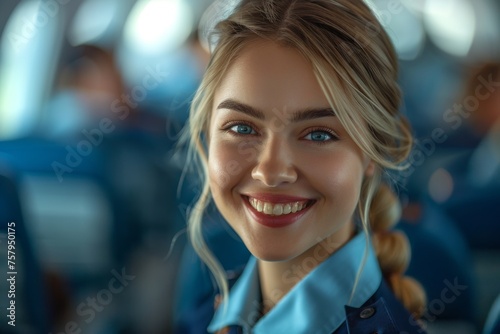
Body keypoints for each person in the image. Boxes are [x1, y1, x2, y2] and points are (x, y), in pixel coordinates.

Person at [181, 0, 427, 332]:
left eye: (318, 134)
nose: (270, 171)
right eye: (242, 128)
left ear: (372, 151)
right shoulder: (205, 311)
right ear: (208, 133)